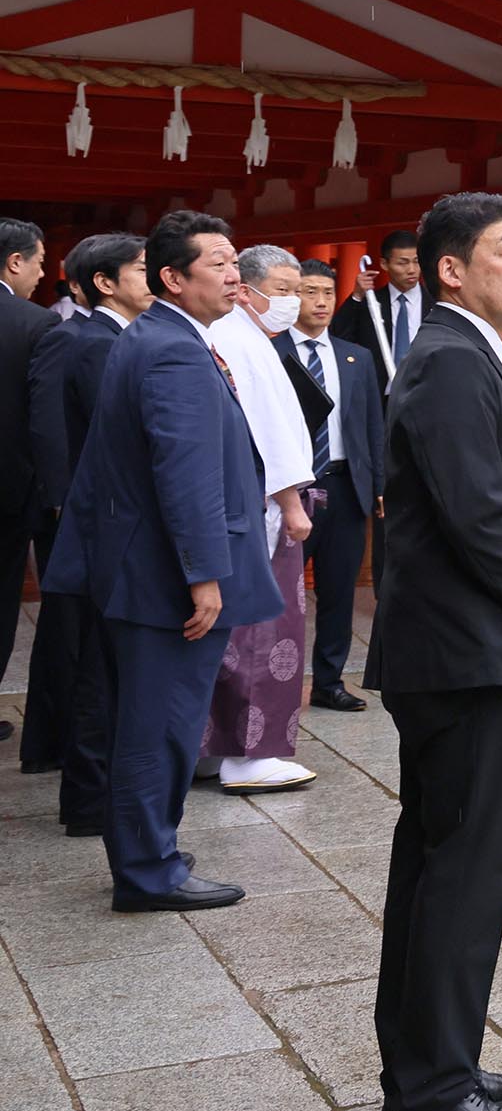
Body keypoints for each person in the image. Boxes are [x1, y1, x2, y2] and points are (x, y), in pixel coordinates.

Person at [370, 191, 502, 1111]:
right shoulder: (452, 361)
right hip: (464, 653)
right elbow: (476, 513)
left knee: (438, 862)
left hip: (461, 650)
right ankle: (434, 1092)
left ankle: (426, 1059)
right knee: (464, 872)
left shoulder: (464, 353)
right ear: (451, 267)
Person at [44, 212, 280, 912]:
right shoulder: (174, 348)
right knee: (162, 727)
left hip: (138, 565)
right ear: (174, 277)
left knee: (144, 720)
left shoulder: (158, 334)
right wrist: (204, 575)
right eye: (218, 263)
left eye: (237, 259)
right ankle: (149, 869)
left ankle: (146, 849)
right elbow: (185, 471)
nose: (235, 274)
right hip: (167, 577)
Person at [24, 232, 146, 824]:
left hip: (112, 524)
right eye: (145, 270)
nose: (157, 278)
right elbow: (59, 433)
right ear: (106, 282)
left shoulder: (125, 339)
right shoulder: (81, 340)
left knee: (105, 659)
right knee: (92, 660)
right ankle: (91, 795)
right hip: (96, 524)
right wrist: (63, 506)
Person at [200, 247, 323, 793]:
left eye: (298, 287)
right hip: (266, 506)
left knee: (240, 633)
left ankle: (214, 746)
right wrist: (293, 504)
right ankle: (249, 752)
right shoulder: (233, 337)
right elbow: (264, 434)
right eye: (282, 286)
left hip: (262, 503)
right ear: (245, 289)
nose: (291, 300)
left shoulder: (247, 338)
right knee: (261, 634)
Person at [285, 259, 382, 714]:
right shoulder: (272, 351)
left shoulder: (355, 356)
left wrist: (378, 484)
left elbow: (371, 426)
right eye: (309, 292)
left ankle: (329, 680)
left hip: (344, 486)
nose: (321, 301)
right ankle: (275, 679)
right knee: (282, 591)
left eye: (327, 292)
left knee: (339, 590)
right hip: (292, 488)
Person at [0, 216, 53, 743]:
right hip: (8, 493)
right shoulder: (34, 323)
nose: (41, 274)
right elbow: (43, 420)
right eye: (38, 262)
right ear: (15, 261)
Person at [331, 228, 425, 388]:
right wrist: (357, 297)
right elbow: (339, 336)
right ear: (384, 264)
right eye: (402, 263)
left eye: (416, 261)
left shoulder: (437, 301)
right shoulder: (371, 304)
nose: (411, 269)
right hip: (381, 393)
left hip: (425, 390)